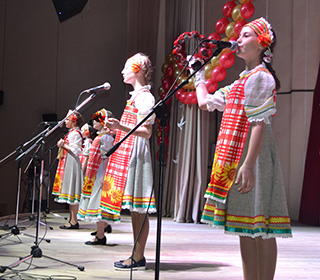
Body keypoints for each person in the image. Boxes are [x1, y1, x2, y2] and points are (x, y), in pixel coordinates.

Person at [194, 18, 292, 280]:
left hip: (254, 155)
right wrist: (199, 75)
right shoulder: (240, 82)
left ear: (262, 44)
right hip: (240, 154)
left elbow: (259, 125)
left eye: (246, 35)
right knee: (245, 227)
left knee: (261, 226)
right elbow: (205, 102)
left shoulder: (261, 78)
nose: (239, 39)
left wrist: (248, 164)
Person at [98, 53, 156, 270]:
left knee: (139, 208)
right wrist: (116, 129)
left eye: (126, 68)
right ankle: (136, 253)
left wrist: (120, 128)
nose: (122, 71)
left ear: (138, 69)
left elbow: (147, 132)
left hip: (138, 155)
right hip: (131, 152)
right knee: (135, 209)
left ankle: (138, 255)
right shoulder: (136, 97)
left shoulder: (144, 98)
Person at [78, 109, 115, 245]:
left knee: (98, 204)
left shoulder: (105, 138)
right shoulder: (100, 137)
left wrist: (104, 176)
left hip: (100, 173)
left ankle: (100, 236)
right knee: (96, 203)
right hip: (96, 173)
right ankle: (101, 231)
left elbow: (107, 158)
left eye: (96, 119)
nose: (93, 121)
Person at [52, 110, 84, 229]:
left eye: (67, 119)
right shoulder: (72, 133)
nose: (65, 121)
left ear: (73, 121)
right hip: (69, 162)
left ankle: (74, 220)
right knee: (71, 193)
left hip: (72, 163)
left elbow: (76, 151)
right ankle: (72, 220)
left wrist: (63, 145)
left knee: (72, 191)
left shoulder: (74, 134)